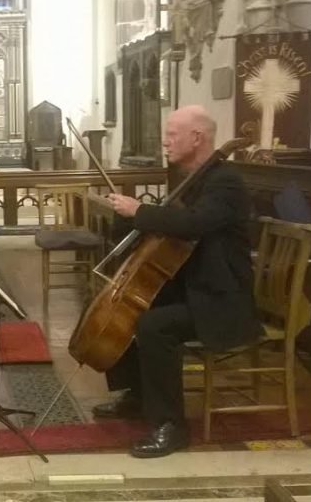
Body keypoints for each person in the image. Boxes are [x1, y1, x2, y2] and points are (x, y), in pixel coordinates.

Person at [98, 105, 262, 458]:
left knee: (154, 325)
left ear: (197, 138)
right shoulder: (194, 179)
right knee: (131, 304)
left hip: (222, 301)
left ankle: (171, 427)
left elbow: (193, 224)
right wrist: (128, 217)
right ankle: (137, 396)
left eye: (172, 134)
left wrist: (139, 211)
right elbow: (173, 223)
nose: (165, 142)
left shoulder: (225, 182)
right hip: (196, 288)